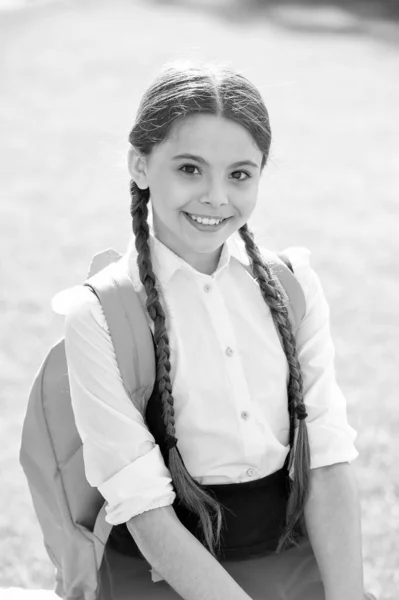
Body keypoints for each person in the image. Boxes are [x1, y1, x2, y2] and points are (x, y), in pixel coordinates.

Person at [64, 62, 370, 600]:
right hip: (164, 570)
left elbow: (326, 458)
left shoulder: (292, 286)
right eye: (189, 168)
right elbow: (144, 507)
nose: (215, 197)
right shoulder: (100, 314)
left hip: (289, 557)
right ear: (140, 164)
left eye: (239, 174)